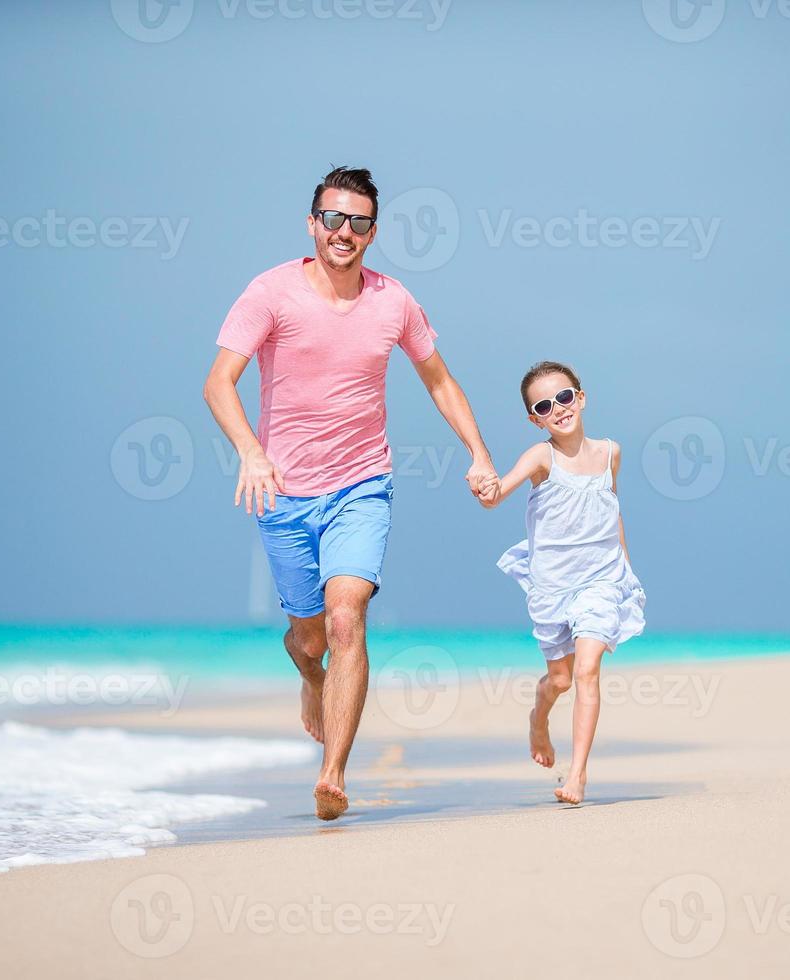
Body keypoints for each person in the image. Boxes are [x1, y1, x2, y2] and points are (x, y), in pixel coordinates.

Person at [203, 166, 497, 820]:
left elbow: (440, 382)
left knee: (346, 618)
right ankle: (311, 678)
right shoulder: (270, 292)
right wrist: (250, 453)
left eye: (358, 222)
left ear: (373, 232)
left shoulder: (394, 302)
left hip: (362, 485)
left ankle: (333, 772)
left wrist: (478, 453)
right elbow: (219, 383)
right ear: (313, 225)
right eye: (333, 219)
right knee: (307, 639)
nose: (345, 231)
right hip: (282, 493)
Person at [477, 360, 646, 805]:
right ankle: (539, 717)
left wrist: (625, 570)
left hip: (602, 580)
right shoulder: (540, 457)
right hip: (552, 584)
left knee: (588, 670)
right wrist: (484, 485)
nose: (559, 408)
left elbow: (612, 509)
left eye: (565, 397)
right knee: (561, 680)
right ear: (535, 419)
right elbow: (497, 496)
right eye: (545, 405)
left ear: (582, 397)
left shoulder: (611, 452)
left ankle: (577, 776)